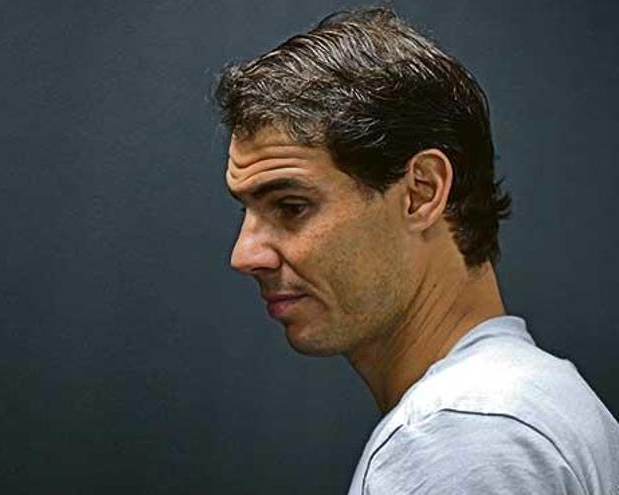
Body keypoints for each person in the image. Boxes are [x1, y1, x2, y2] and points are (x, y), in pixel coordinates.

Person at [216, 7, 619, 494]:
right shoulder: (537, 399)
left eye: (292, 206)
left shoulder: (464, 437)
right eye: (247, 211)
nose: (246, 255)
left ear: (422, 192)